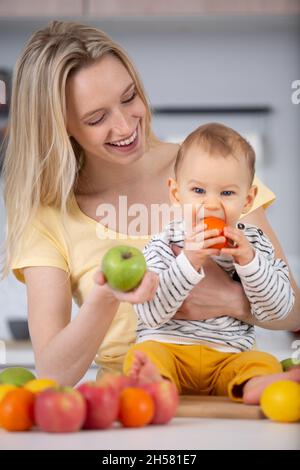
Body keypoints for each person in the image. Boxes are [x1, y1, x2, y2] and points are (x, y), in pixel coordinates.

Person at [2, 21, 299, 387]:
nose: (126, 125)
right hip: (136, 408)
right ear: (60, 125)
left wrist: (228, 301)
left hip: (229, 396)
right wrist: (107, 297)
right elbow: (53, 372)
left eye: (129, 98)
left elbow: (293, 311)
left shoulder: (212, 175)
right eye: (97, 118)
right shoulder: (48, 216)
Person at [122, 123, 300, 403]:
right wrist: (189, 260)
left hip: (227, 358)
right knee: (144, 355)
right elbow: (151, 313)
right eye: (198, 190)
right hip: (171, 350)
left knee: (262, 361)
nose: (212, 204)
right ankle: (156, 382)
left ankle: (257, 385)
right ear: (176, 194)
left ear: (248, 199)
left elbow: (279, 308)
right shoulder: (162, 243)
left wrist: (249, 262)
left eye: (227, 193)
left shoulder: (256, 245)